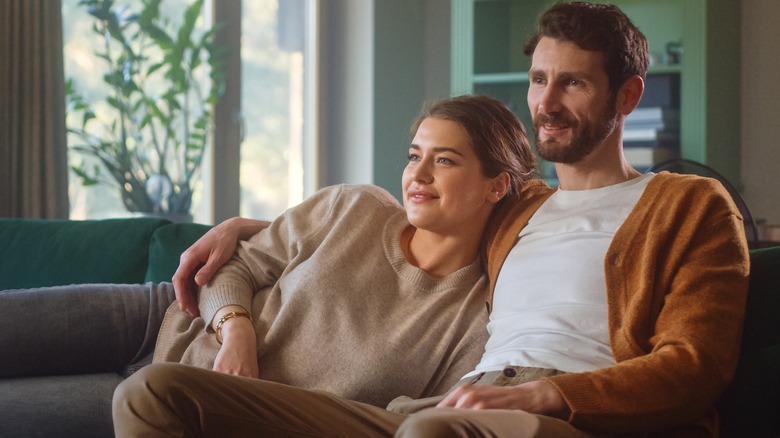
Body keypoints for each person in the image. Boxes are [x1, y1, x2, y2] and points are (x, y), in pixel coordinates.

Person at [114, 3, 750, 437]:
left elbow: (696, 363)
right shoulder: (520, 205)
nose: (546, 103)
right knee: (154, 390)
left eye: (574, 85)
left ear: (628, 96)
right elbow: (411, 212)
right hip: (443, 406)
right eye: (538, 80)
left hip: (564, 414)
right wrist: (248, 227)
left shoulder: (688, 205)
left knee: (434, 430)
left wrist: (543, 396)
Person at [112, 94, 547, 429]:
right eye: (415, 155)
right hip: (169, 318)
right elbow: (237, 265)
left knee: (127, 396)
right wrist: (237, 331)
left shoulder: (477, 316)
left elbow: (417, 417)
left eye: (445, 160)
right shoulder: (354, 207)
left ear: (496, 187)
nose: (418, 174)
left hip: (181, 399)